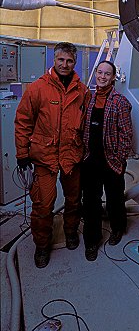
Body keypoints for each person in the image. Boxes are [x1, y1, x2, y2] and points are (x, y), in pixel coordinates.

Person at [14, 42, 90, 268]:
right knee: (43, 205)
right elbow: (23, 122)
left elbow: (85, 123)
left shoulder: (82, 91)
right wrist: (22, 153)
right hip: (44, 158)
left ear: (74, 63)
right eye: (61, 60)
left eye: (69, 61)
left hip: (71, 156)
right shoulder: (38, 88)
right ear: (53, 60)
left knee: (74, 200)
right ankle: (42, 245)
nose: (65, 65)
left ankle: (70, 231)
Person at [82, 60, 133, 261]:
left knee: (115, 199)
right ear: (96, 74)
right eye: (100, 72)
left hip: (112, 161)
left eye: (107, 74)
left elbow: (126, 135)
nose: (102, 76)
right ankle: (91, 241)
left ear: (113, 78)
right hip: (90, 160)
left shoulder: (120, 102)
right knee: (90, 202)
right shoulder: (89, 99)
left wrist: (119, 159)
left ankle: (118, 228)